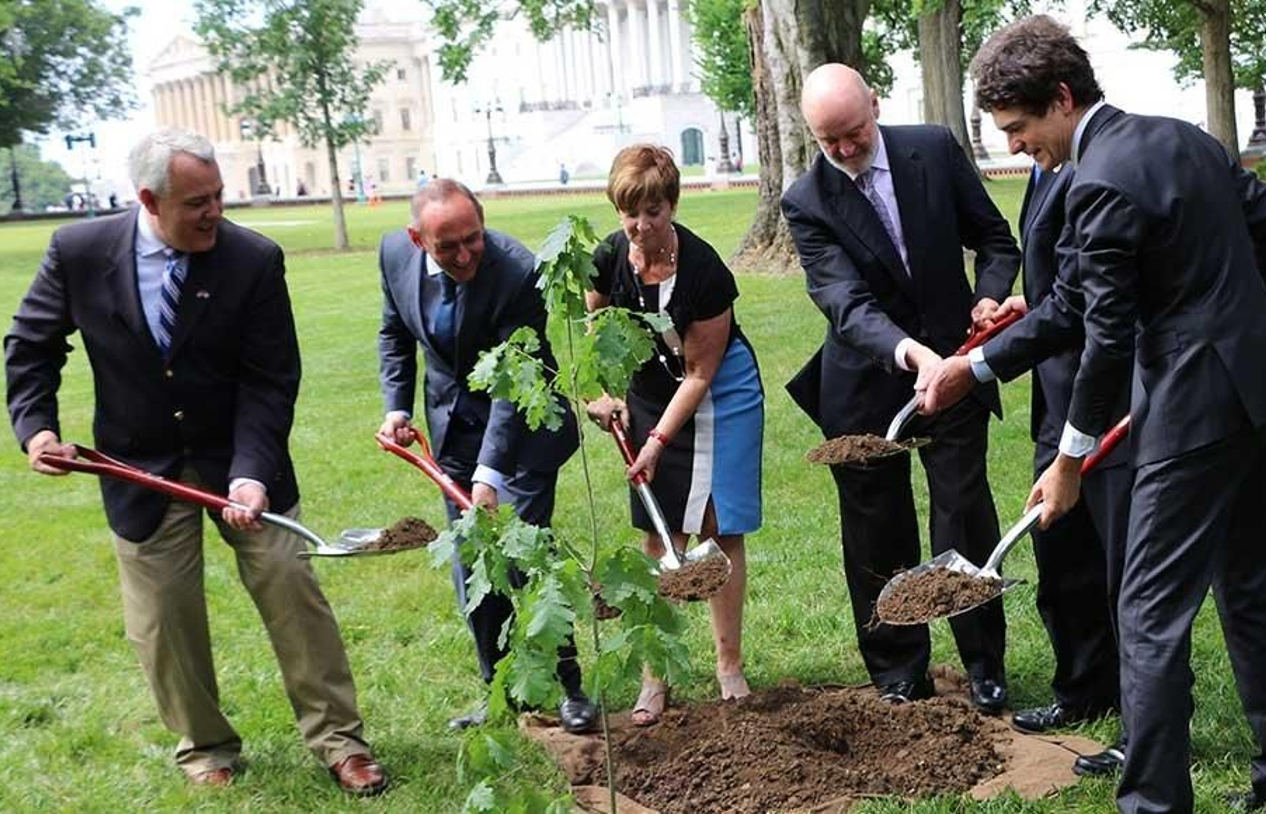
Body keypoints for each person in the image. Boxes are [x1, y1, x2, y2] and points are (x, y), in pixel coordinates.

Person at [957, 17, 1266, 813]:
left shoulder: (1097, 182)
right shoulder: (1183, 138)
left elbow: (1105, 336)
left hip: (1198, 413)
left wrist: (1068, 461)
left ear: (1061, 97)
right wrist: (1231, 318)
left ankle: (1153, 805)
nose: (1017, 147)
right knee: (1248, 588)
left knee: (1149, 615)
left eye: (1020, 129)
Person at [4, 128, 387, 795]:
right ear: (149, 200)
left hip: (241, 462)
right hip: (138, 464)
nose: (215, 212)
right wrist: (36, 428)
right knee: (163, 621)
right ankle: (206, 747)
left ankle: (340, 741)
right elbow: (31, 344)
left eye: (218, 195)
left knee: (290, 585)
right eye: (197, 202)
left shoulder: (253, 259)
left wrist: (250, 473)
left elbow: (271, 378)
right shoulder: (79, 252)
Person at [780, 64, 1022, 712]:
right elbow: (843, 301)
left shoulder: (935, 149)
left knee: (962, 512)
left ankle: (983, 665)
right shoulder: (807, 200)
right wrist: (908, 352)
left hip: (958, 362)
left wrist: (990, 295)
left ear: (875, 107)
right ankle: (897, 669)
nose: (845, 151)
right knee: (875, 527)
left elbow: (995, 239)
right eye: (828, 142)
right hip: (865, 381)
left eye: (853, 134)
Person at [376, 178, 598, 734]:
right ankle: (499, 693)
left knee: (526, 558)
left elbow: (511, 381)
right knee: (472, 568)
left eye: (473, 239)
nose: (465, 254)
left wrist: (490, 473)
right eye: (447, 246)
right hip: (452, 435)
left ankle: (570, 686)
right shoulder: (393, 256)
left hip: (523, 433)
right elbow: (394, 333)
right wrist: (397, 407)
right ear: (416, 238)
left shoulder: (517, 271)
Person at [949, 158, 1137, 776]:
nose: (1011, 141)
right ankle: (1083, 688)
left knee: (1126, 569)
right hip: (1057, 391)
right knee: (1060, 547)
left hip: (1107, 389)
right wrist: (1028, 301)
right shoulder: (1045, 166)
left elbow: (1093, 302)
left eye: (1016, 127)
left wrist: (977, 368)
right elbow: (1067, 281)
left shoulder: (1094, 167)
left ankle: (1145, 725)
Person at [585, 144, 765, 726]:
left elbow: (701, 373)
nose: (641, 226)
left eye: (653, 212)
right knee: (658, 535)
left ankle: (729, 665)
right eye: (629, 213)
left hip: (720, 395)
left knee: (717, 526)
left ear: (673, 204)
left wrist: (657, 443)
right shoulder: (607, 258)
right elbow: (597, 339)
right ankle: (654, 678)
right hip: (647, 390)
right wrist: (601, 397)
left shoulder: (707, 271)